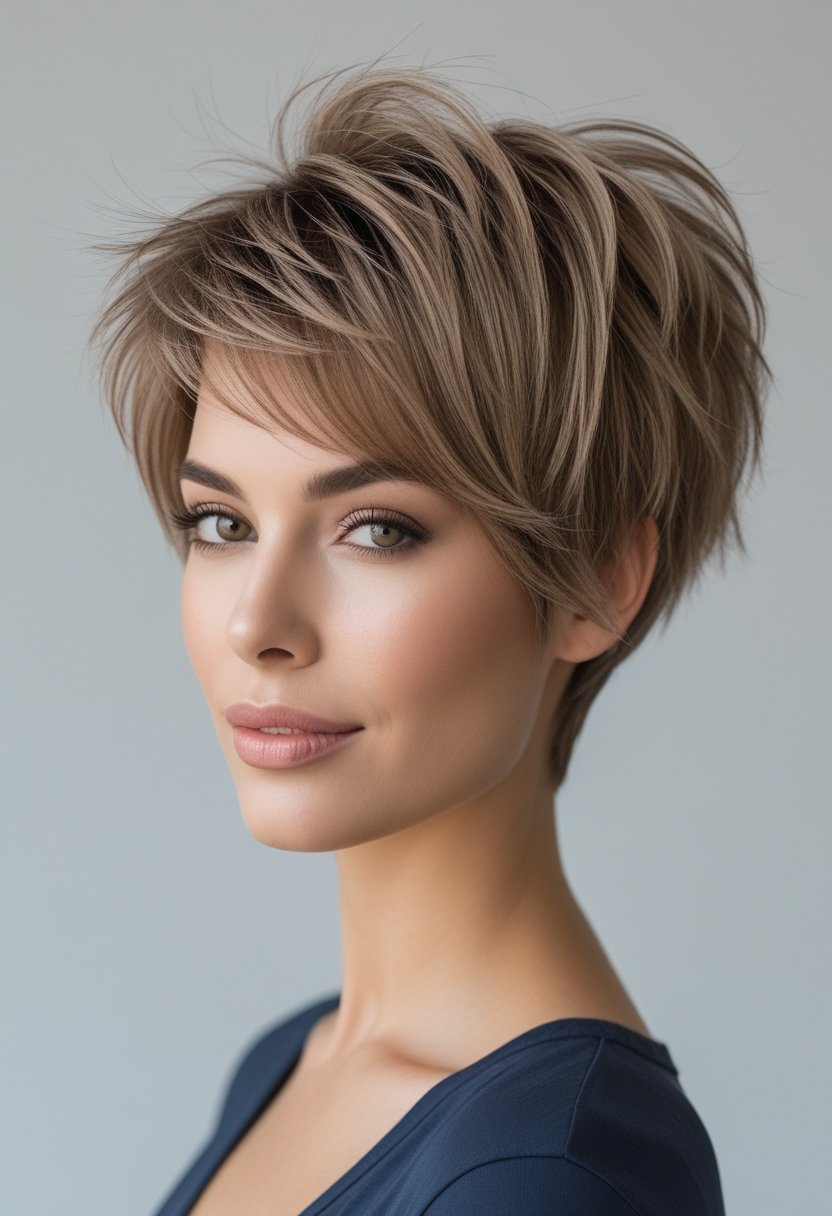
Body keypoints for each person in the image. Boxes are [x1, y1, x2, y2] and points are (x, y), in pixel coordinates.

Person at [87, 56, 771, 1216]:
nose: (259, 621)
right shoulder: (293, 1061)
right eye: (221, 521)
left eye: (377, 530)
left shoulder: (549, 1177)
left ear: (598, 579)